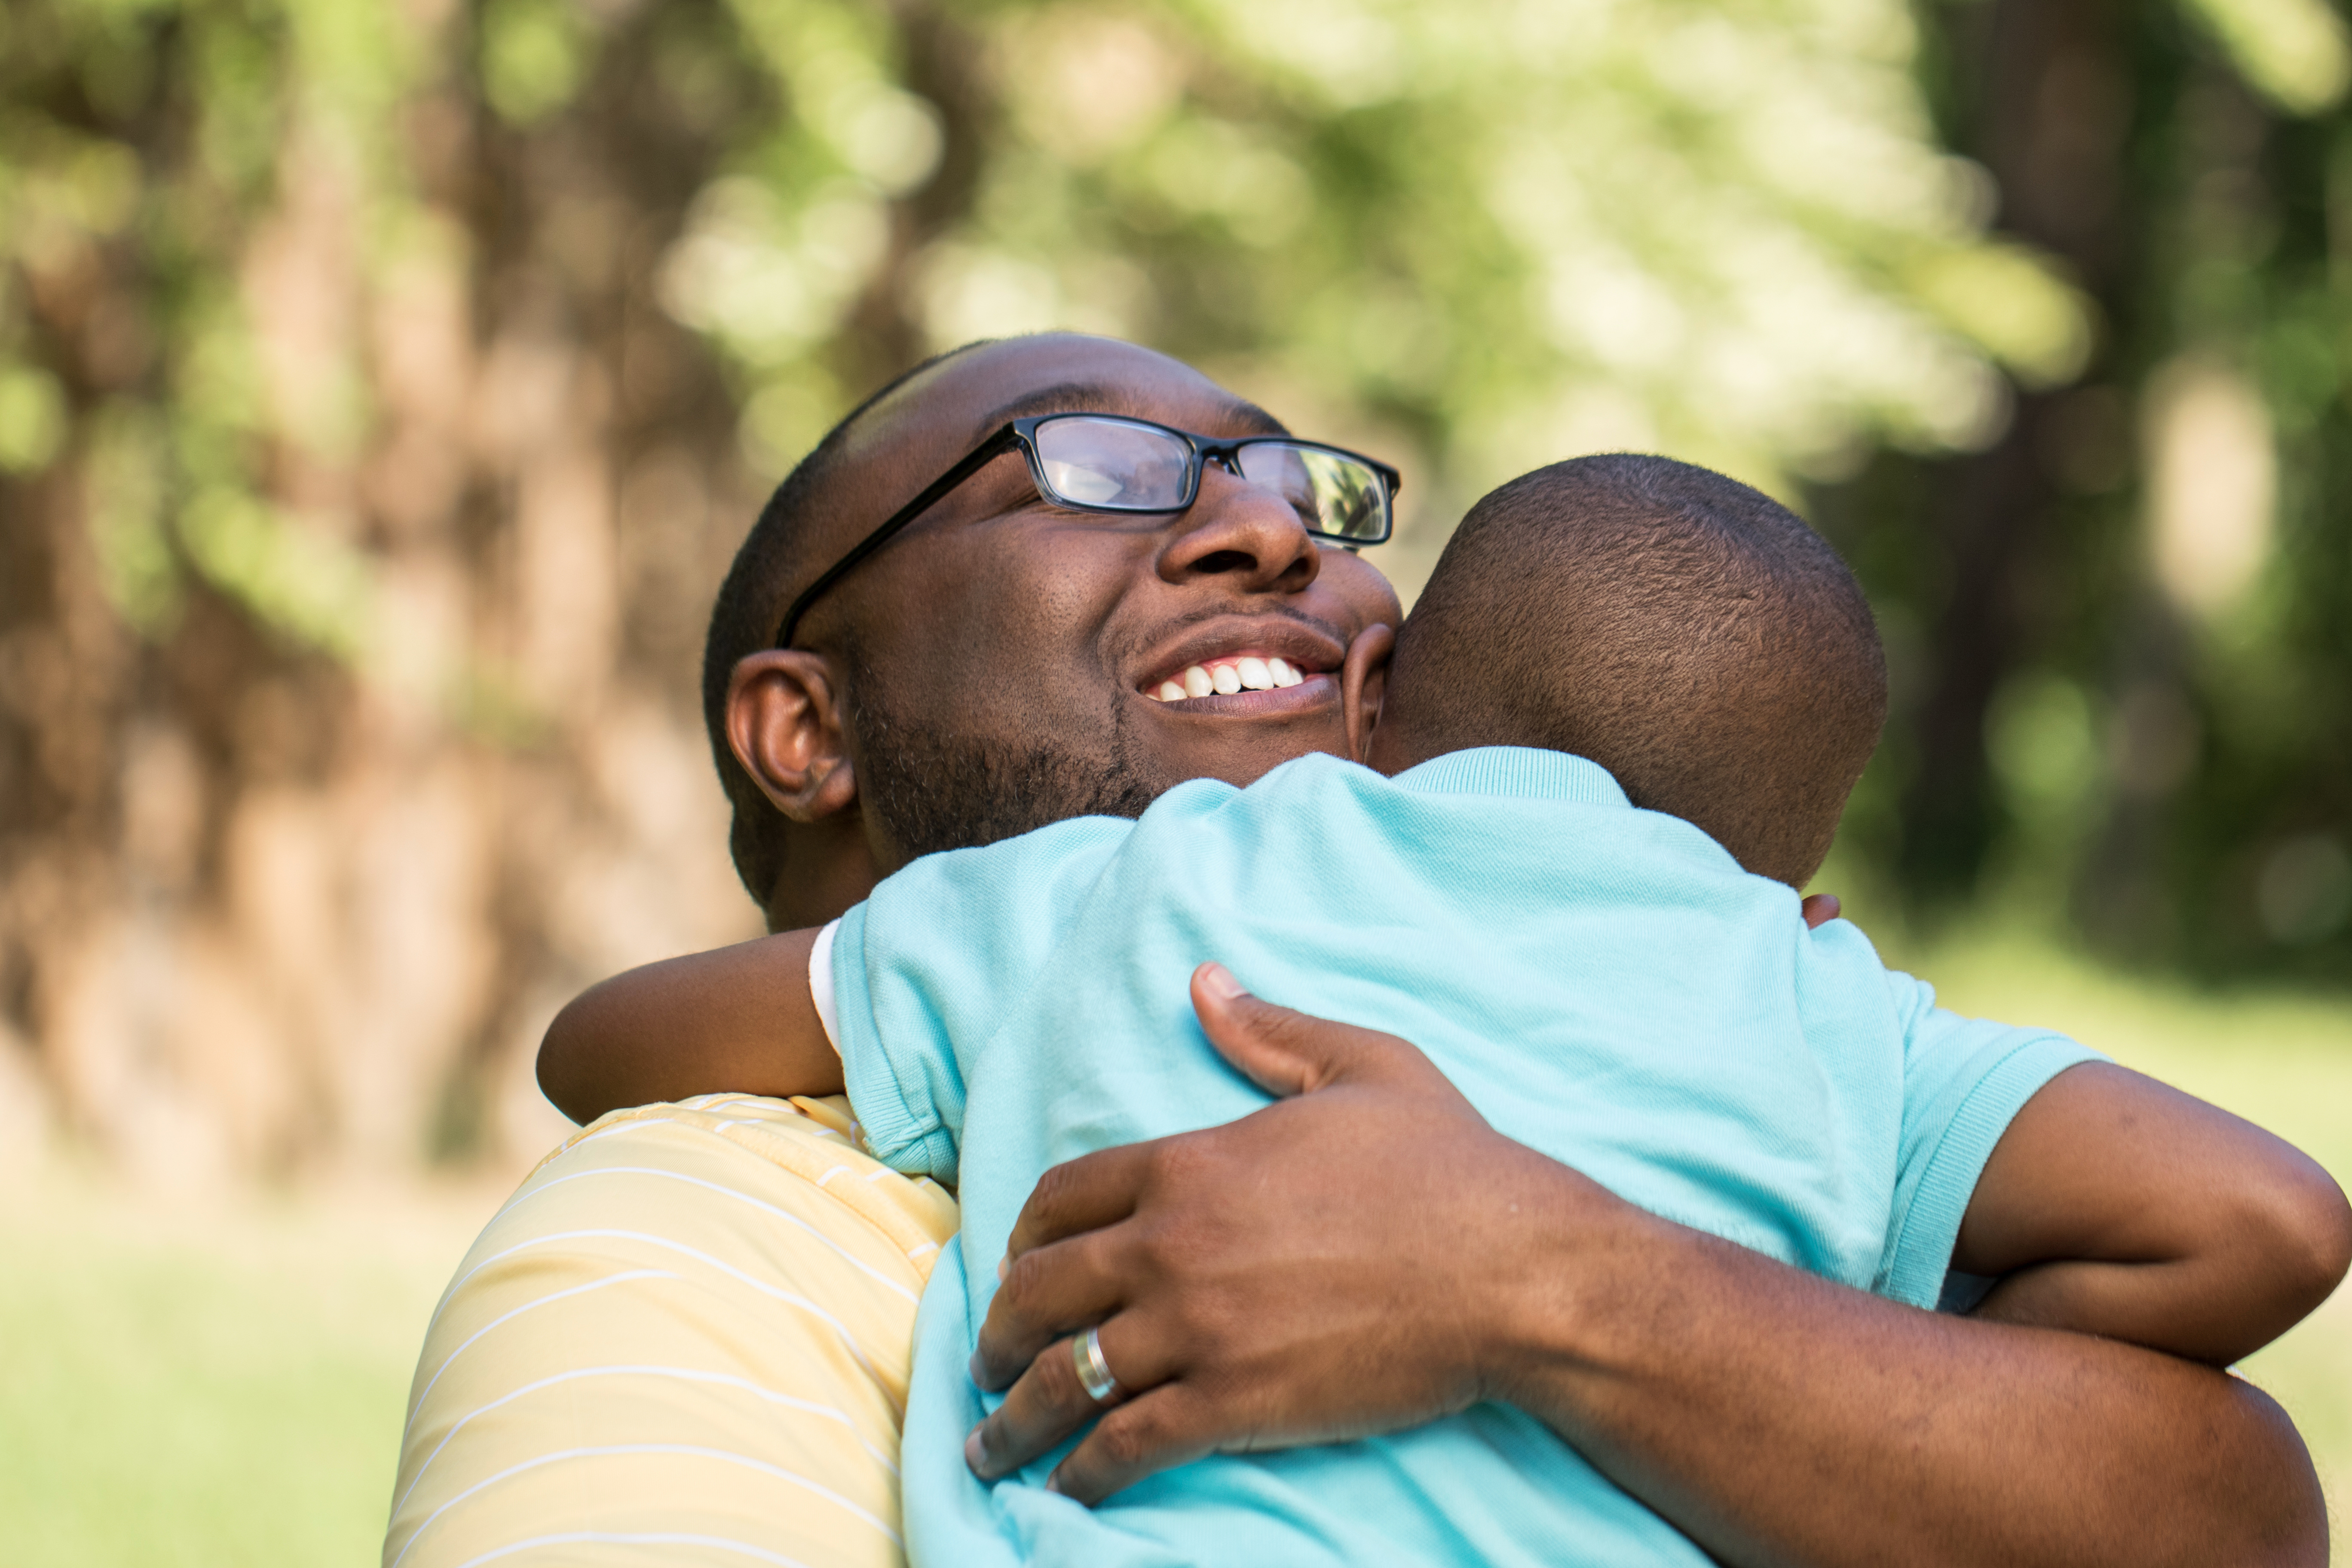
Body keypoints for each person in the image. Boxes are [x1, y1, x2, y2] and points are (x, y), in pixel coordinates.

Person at [386, 334, 2337, 1568]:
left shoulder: (1747, 1057)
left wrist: (1545, 1279)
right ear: (806, 731)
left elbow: (2237, 1515)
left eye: (1293, 489)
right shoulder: (692, 1235)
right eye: (1096, 465)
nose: (1265, 533)